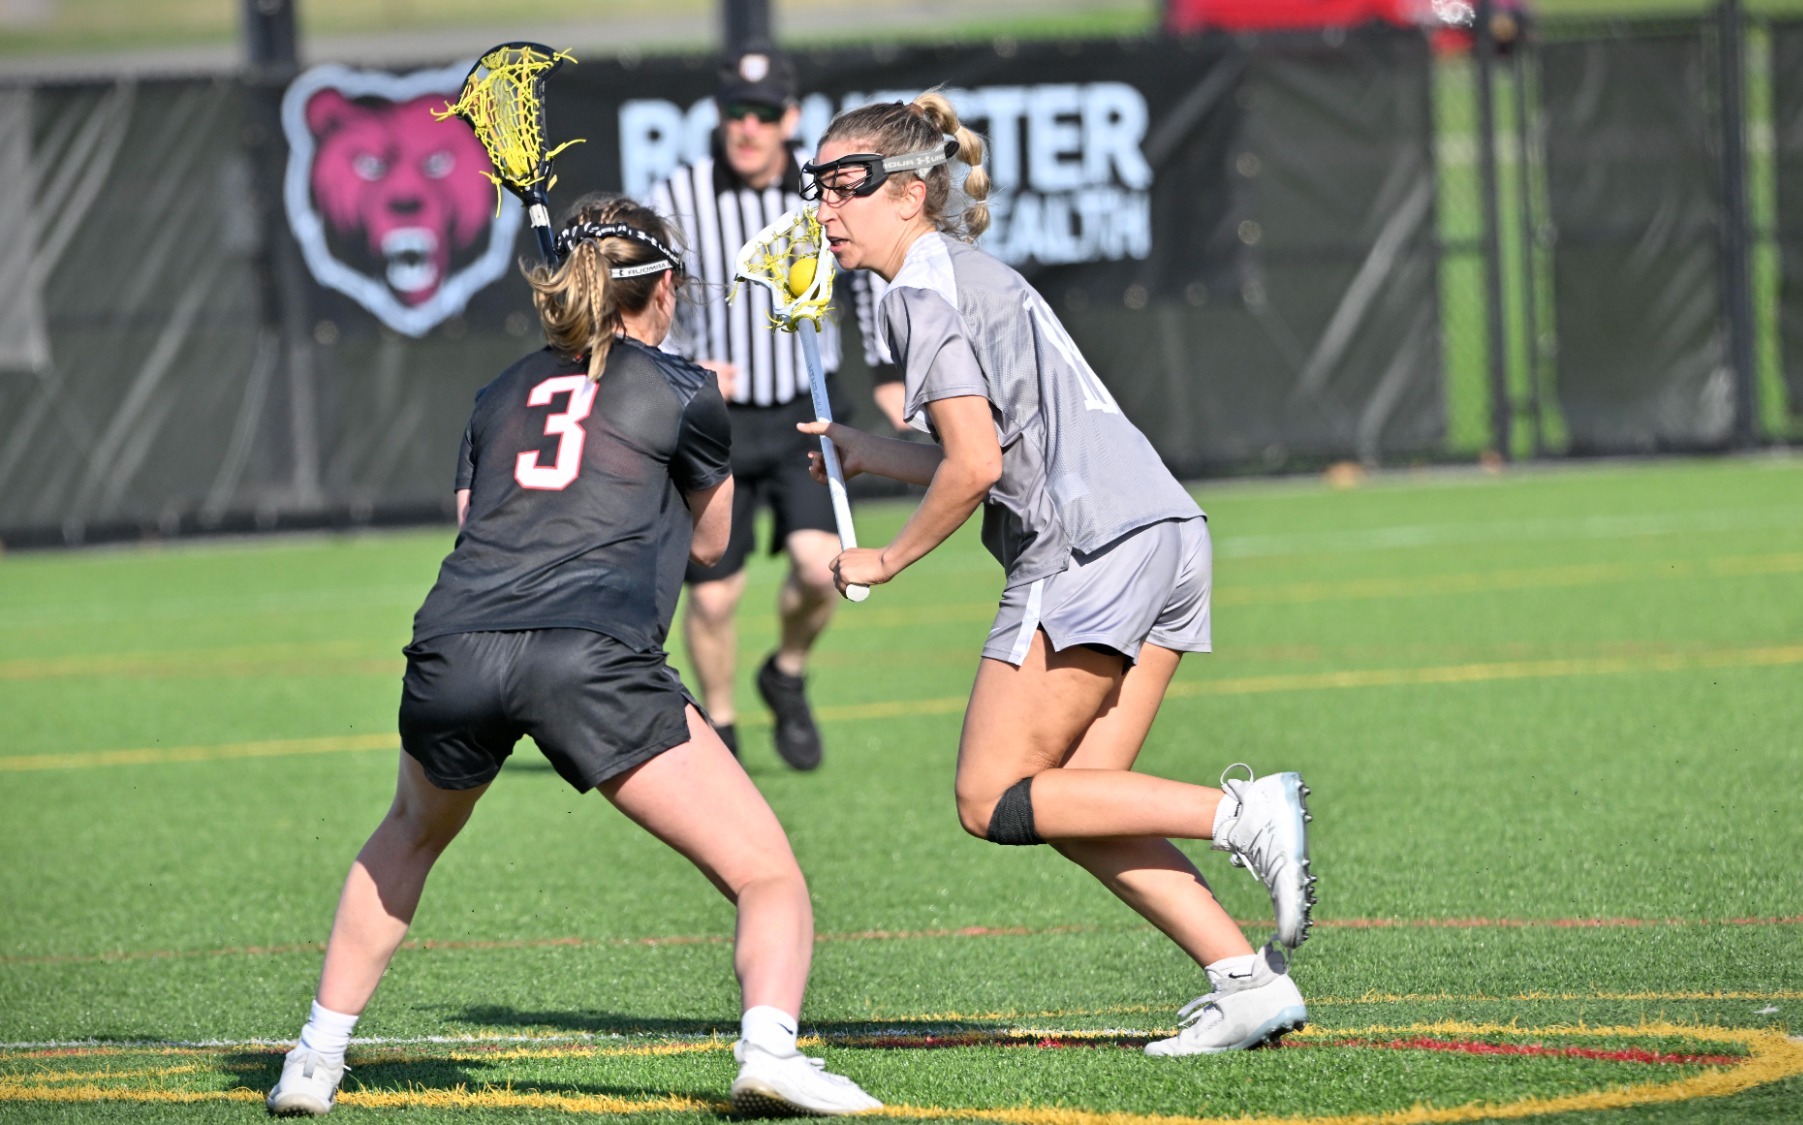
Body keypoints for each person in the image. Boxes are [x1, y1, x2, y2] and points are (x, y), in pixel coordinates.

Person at [265, 195, 880, 1117]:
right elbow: (714, 546)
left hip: (453, 646)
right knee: (766, 873)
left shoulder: (497, 391)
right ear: (664, 286)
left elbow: (478, 524)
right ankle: (770, 1051)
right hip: (589, 655)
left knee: (408, 833)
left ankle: (312, 1059)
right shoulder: (683, 387)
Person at [797, 93, 1319, 1057]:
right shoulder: (955, 271)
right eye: (815, 186)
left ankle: (1239, 812)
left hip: (1087, 547)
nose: (824, 209)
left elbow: (977, 468)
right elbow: (986, 441)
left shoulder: (916, 290)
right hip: (1162, 530)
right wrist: (875, 450)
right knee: (1077, 796)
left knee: (990, 796)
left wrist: (889, 557)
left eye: (845, 186)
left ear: (910, 194)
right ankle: (1243, 982)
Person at [647, 43, 885, 770]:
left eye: (762, 114)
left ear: (790, 118)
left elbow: (870, 272)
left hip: (803, 411)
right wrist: (682, 370)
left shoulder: (824, 195)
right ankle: (718, 725)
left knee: (823, 571)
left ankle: (785, 672)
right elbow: (641, 304)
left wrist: (886, 368)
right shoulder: (677, 196)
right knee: (714, 599)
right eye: (733, 113)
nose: (747, 128)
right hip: (713, 418)